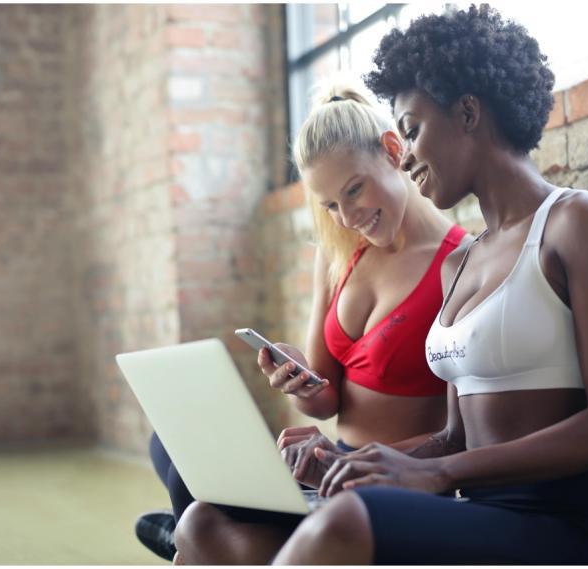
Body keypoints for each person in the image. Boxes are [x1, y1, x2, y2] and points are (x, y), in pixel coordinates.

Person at [177, 5, 588, 565]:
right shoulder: (464, 264)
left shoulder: (579, 222)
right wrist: (351, 460)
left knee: (346, 520)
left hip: (566, 524)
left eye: (413, 131)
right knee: (206, 521)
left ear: (468, 113)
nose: (409, 156)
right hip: (475, 510)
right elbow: (454, 436)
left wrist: (436, 472)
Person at [134, 77, 467, 561]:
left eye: (354, 190)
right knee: (173, 449)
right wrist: (301, 381)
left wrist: (347, 462)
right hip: (328, 467)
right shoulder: (340, 255)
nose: (348, 217)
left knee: (199, 520)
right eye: (331, 205)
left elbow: (459, 436)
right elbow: (325, 399)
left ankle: (194, 544)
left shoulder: (459, 264)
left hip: (389, 477)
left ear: (393, 150)